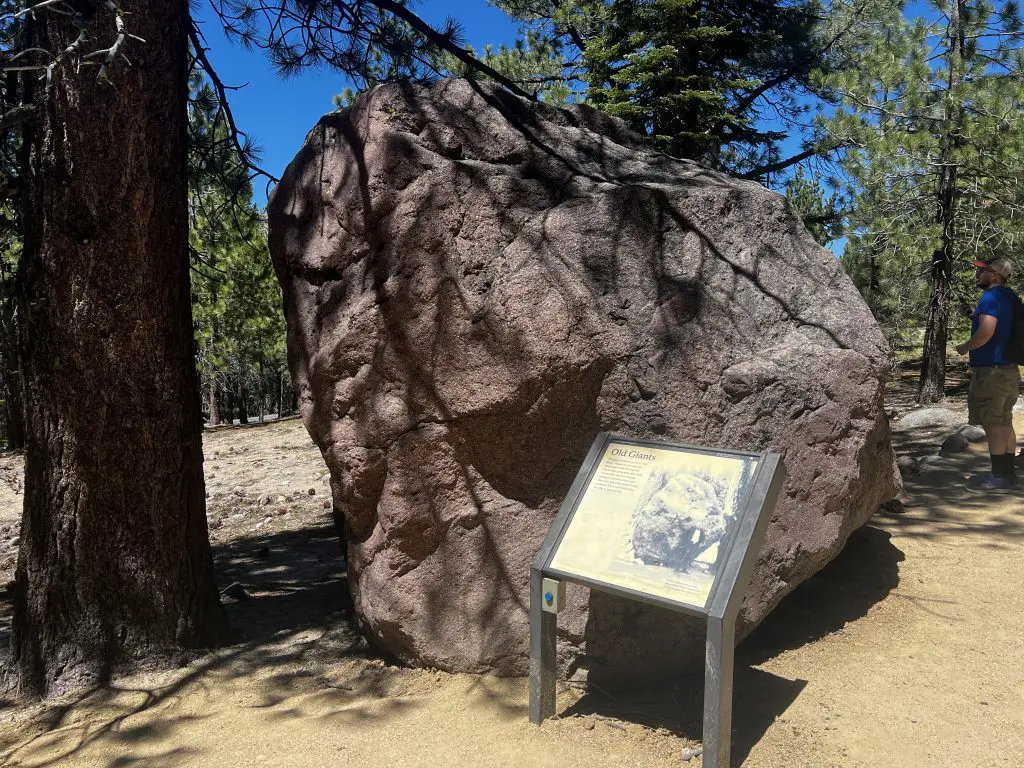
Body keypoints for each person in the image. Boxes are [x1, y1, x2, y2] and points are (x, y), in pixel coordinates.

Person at [955, 258, 1020, 490]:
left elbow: (986, 333)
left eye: (982, 271)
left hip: (991, 372)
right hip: (1008, 370)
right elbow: (1003, 325)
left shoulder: (990, 297)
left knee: (993, 424)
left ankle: (999, 477)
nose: (978, 274)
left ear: (994, 276)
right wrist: (974, 314)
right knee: (1004, 421)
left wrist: (964, 347)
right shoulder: (1009, 297)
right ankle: (1007, 473)